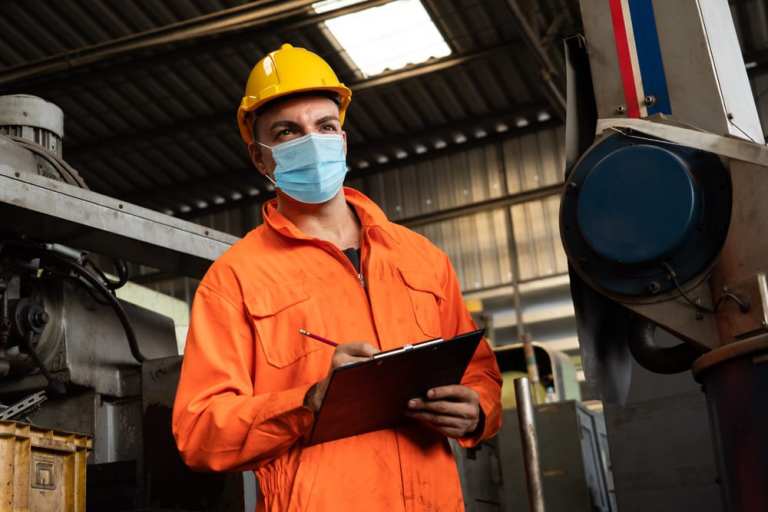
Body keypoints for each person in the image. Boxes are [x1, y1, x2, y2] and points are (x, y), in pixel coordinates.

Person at [172, 43, 502, 512]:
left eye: (324, 127)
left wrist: (478, 411)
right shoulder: (235, 280)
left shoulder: (421, 258)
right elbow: (201, 432)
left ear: (342, 141)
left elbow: (481, 373)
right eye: (287, 132)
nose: (312, 141)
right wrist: (308, 402)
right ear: (260, 158)